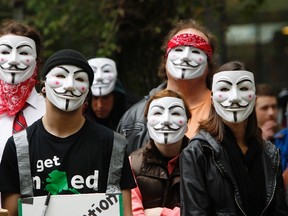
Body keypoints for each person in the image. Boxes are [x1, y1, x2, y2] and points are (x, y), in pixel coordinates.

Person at [0, 49, 136, 216]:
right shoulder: (18, 146)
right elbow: (10, 213)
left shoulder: (113, 144)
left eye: (79, 79)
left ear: (87, 92)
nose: (70, 85)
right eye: (60, 76)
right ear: (43, 86)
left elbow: (125, 212)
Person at [180, 61, 288, 215]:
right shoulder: (198, 152)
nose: (235, 97)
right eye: (224, 89)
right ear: (211, 98)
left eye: (244, 88)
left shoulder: (269, 153)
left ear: (254, 98)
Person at [117, 18, 218, 155]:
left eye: (195, 51)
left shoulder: (223, 109)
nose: (185, 57)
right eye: (178, 50)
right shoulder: (135, 118)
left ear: (209, 63)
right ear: (165, 59)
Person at [130, 89, 191, 216]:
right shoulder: (133, 164)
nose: (166, 121)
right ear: (147, 123)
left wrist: (160, 213)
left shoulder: (202, 160)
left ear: (187, 124)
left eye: (175, 113)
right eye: (157, 113)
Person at [0, 20, 46, 160]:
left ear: (37, 60)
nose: (13, 60)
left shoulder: (52, 110)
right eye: (5, 52)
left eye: (24, 52)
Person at [85, 57, 133, 131]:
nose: (100, 105)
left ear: (116, 97)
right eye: (95, 98)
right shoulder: (78, 121)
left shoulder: (132, 116)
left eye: (105, 97)